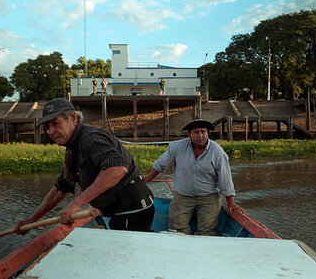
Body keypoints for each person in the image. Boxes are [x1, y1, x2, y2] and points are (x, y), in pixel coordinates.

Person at [14, 98, 154, 233]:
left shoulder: (91, 138)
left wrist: (76, 204)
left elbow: (116, 168)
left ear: (73, 118)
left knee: (126, 255)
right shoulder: (72, 151)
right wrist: (32, 220)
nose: (50, 131)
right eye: (47, 127)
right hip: (117, 211)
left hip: (133, 209)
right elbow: (60, 190)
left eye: (56, 124)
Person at [144, 119, 243, 236]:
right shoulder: (177, 147)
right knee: (176, 230)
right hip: (183, 196)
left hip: (209, 197)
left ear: (207, 134)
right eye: (196, 132)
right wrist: (148, 178)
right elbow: (161, 164)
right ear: (189, 135)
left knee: (207, 232)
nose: (200, 136)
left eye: (203, 132)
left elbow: (225, 179)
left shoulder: (217, 152)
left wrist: (230, 202)